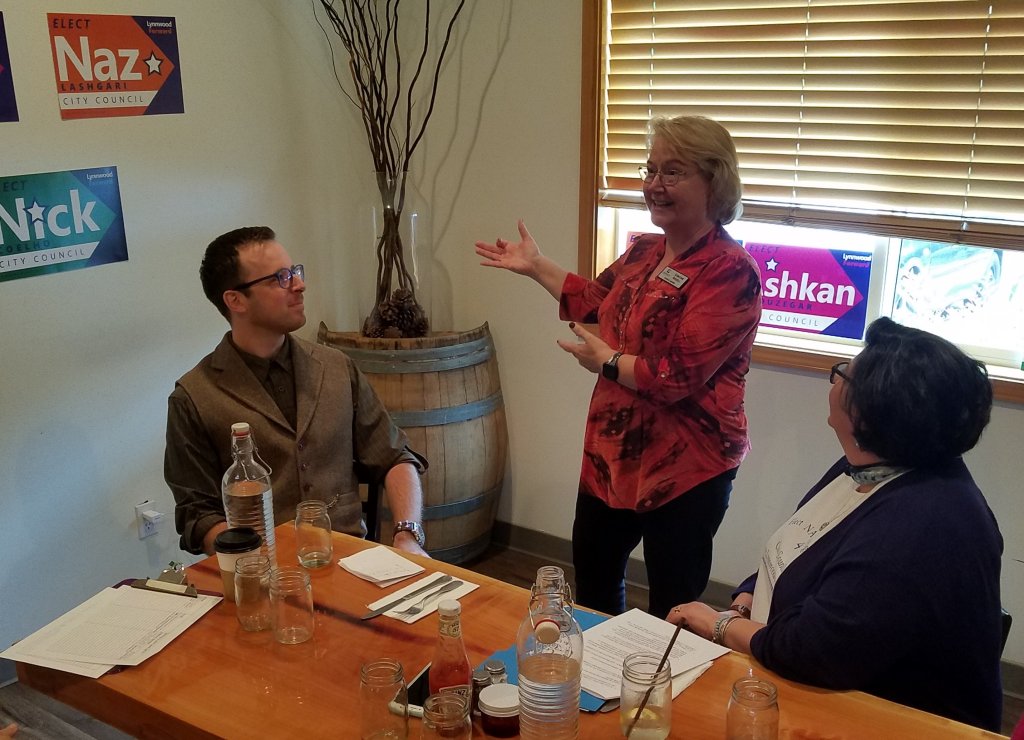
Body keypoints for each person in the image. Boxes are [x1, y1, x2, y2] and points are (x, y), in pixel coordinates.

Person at [475, 115, 762, 618]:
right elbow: (595, 303)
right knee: (595, 583)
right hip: (612, 456)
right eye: (650, 170)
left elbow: (677, 375)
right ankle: (604, 684)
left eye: (673, 173)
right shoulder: (645, 250)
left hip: (688, 468)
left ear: (714, 180)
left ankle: (669, 693)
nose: (654, 185)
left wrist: (607, 361)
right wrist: (537, 265)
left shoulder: (730, 270)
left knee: (677, 605)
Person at [668, 317, 1003, 731]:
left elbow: (809, 652)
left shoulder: (923, 524)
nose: (835, 379)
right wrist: (743, 602)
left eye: (843, 374)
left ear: (870, 414)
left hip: (889, 720)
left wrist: (718, 624)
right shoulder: (869, 466)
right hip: (812, 680)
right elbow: (799, 549)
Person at [166, 226, 429, 557]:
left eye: (295, 272)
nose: (299, 285)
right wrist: (251, 561)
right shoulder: (193, 397)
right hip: (259, 571)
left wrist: (408, 535)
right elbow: (197, 515)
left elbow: (394, 456)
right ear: (235, 300)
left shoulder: (336, 367)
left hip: (350, 560)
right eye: (281, 278)